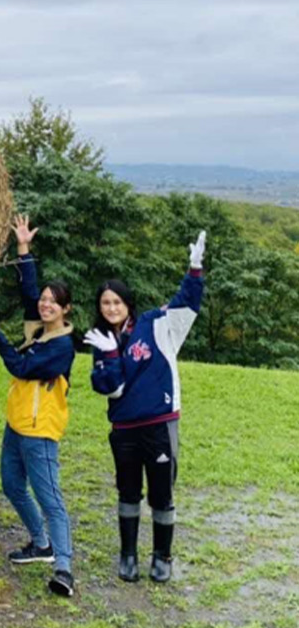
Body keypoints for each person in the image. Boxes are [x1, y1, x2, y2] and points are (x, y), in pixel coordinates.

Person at [84, 231, 206, 583]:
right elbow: (111, 387)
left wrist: (194, 270)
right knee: (127, 491)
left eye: (116, 302)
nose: (111, 308)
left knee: (162, 492)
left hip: (158, 423)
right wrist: (108, 354)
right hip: (123, 428)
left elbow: (186, 304)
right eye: (105, 303)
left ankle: (162, 556)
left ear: (127, 302)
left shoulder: (155, 324)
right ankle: (128, 556)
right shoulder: (100, 340)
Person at [0, 214, 77, 597]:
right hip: (15, 426)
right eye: (46, 301)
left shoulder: (60, 346)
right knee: (12, 486)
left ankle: (64, 568)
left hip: (40, 433)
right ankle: (40, 543)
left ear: (67, 309)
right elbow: (29, 291)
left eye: (55, 302)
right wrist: (23, 247)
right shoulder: (40, 329)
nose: (46, 304)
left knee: (51, 499)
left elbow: (20, 366)